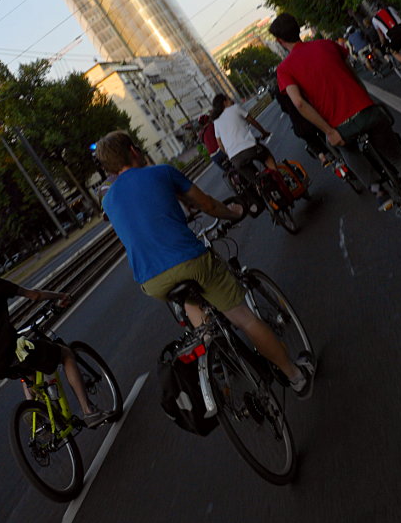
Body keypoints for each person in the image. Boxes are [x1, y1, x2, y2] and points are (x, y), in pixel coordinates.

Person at [95, 130, 314, 396]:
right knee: (244, 318)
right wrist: (233, 213)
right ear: (133, 150)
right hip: (188, 260)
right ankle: (296, 376)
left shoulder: (108, 199)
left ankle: (213, 349)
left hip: (151, 281)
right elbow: (208, 205)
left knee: (192, 301)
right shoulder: (161, 172)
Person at [267, 13, 401, 227]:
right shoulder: (327, 44)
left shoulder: (285, 70)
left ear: (280, 41)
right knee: (398, 156)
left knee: (344, 149)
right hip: (367, 110)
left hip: (340, 126)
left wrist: (329, 131)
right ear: (298, 29)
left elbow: (299, 103)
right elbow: (352, 74)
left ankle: (379, 191)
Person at [0, 246, 109, 427]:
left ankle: (37, 418)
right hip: (7, 351)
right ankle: (89, 412)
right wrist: (60, 296)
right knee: (66, 354)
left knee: (26, 368)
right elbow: (35, 295)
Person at [212, 94, 276, 183]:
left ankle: (262, 191)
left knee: (255, 180)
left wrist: (230, 153)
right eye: (229, 99)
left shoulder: (216, 122)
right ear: (224, 102)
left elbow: (219, 143)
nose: (232, 100)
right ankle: (278, 178)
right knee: (267, 156)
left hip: (235, 158)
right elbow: (252, 121)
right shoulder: (235, 108)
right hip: (250, 148)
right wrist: (264, 132)